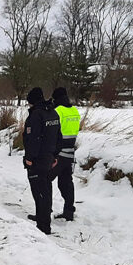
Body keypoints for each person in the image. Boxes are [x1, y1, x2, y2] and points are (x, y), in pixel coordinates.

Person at [22, 87, 61, 234]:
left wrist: (29, 159)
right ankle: (42, 217)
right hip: (49, 158)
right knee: (46, 188)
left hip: (38, 159)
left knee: (39, 191)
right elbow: (59, 136)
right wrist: (55, 156)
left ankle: (43, 226)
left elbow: (33, 139)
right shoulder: (52, 112)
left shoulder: (36, 116)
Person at [50, 87, 81, 220]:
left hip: (58, 154)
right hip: (70, 153)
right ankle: (69, 212)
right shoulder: (75, 111)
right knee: (67, 183)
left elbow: (52, 133)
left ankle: (44, 211)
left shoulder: (57, 111)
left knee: (45, 180)